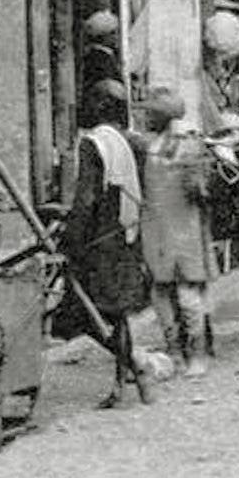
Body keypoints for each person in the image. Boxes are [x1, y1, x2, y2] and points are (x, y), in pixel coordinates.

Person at [60, 79, 153, 408]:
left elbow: (86, 198)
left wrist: (69, 240)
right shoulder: (130, 143)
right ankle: (123, 382)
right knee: (118, 313)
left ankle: (134, 369)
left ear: (97, 108)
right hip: (125, 236)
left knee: (81, 313)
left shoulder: (93, 144)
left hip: (97, 244)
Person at [133, 88, 215, 377]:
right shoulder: (181, 145)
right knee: (178, 296)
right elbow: (201, 192)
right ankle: (188, 355)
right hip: (173, 231)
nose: (144, 117)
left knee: (172, 296)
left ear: (160, 115)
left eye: (149, 112)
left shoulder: (156, 147)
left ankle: (184, 354)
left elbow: (199, 189)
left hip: (167, 232)